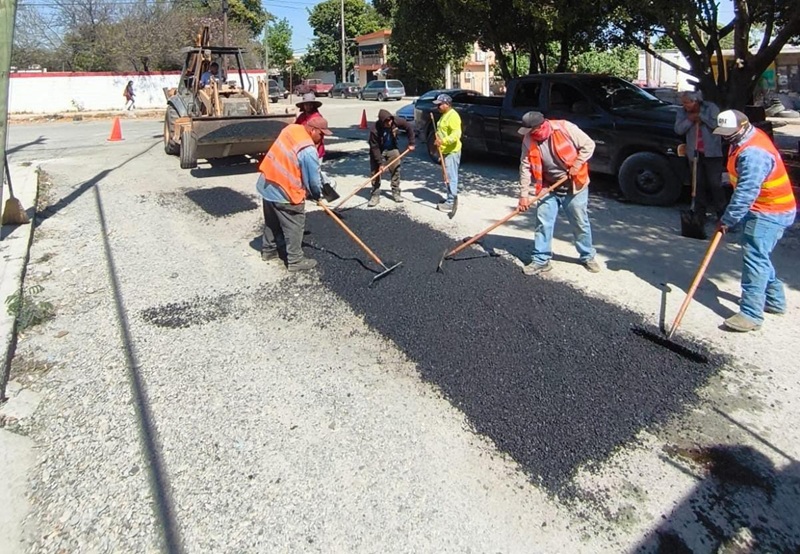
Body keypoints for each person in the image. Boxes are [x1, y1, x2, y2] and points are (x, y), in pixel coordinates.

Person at [712, 109, 796, 332]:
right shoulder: (744, 138)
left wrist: (728, 219)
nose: (726, 137)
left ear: (743, 126)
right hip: (764, 207)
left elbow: (746, 192)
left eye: (729, 133)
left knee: (755, 259)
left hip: (770, 211)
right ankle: (775, 300)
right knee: (759, 255)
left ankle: (751, 314)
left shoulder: (753, 153)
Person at [516, 111, 600, 275]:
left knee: (579, 222)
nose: (529, 134)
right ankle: (541, 260)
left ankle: (587, 256)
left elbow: (589, 145)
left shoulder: (565, 128)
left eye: (532, 131)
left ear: (541, 126)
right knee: (543, 222)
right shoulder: (528, 139)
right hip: (548, 186)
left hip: (574, 185)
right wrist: (523, 195)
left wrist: (577, 164)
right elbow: (525, 167)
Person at [255, 117, 333, 272]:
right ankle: (295, 260)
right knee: (295, 225)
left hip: (267, 184)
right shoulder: (308, 150)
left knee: (272, 221)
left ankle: (269, 251)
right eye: (321, 134)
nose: (322, 138)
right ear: (313, 130)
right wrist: (316, 195)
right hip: (286, 192)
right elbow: (313, 182)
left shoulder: (291, 129)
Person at [674, 90, 726, 219]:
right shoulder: (682, 112)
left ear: (695, 101)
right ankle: (699, 213)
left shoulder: (711, 108)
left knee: (715, 184)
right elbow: (678, 130)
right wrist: (690, 120)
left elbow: (717, 125)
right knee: (697, 184)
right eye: (683, 103)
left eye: (687, 103)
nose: (685, 105)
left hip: (712, 153)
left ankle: (722, 214)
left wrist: (702, 117)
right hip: (694, 153)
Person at [367, 109, 416, 206]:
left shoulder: (396, 121)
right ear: (382, 122)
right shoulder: (374, 130)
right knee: (375, 172)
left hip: (391, 148)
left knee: (396, 169)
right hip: (378, 150)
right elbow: (374, 148)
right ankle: (375, 194)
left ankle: (396, 191)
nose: (389, 123)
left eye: (390, 120)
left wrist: (412, 143)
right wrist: (380, 163)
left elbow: (409, 127)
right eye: (387, 121)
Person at [432, 94, 462, 212]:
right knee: (446, 176)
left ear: (447, 104)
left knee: (450, 176)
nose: (438, 107)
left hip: (452, 151)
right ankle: (450, 198)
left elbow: (456, 134)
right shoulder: (444, 115)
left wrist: (443, 141)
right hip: (445, 151)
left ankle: (451, 202)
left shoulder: (453, 116)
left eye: (440, 104)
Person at [295, 93, 326, 160]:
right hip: (304, 149)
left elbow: (318, 139)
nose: (308, 106)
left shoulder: (317, 118)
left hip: (315, 151)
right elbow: (295, 128)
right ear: (303, 106)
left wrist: (313, 151)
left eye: (310, 104)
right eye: (306, 104)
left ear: (313, 105)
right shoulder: (302, 116)